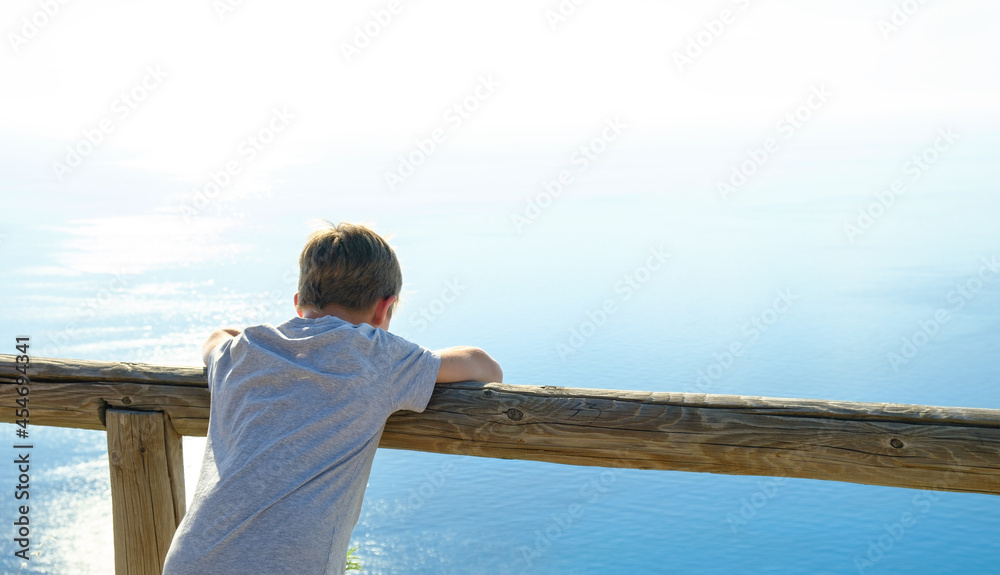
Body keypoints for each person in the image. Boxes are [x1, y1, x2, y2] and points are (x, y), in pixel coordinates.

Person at [162, 221, 502, 575]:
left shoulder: (244, 350)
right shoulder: (378, 355)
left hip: (191, 559)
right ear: (384, 309)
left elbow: (214, 340)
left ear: (298, 303)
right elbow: (485, 367)